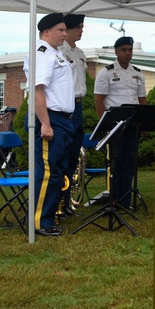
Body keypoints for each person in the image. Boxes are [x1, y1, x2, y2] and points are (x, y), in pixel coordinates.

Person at [23, 12, 75, 237]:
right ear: (46, 32)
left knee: (57, 171)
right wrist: (45, 123)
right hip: (51, 118)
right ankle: (38, 223)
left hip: (62, 120)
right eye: (61, 30)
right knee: (48, 172)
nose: (65, 33)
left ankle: (47, 217)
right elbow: (37, 91)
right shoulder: (42, 53)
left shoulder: (56, 54)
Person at [94, 37, 147, 209]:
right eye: (124, 49)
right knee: (115, 163)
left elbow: (142, 100)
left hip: (132, 122)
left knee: (129, 162)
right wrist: (104, 125)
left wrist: (143, 122)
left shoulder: (137, 73)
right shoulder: (106, 72)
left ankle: (125, 199)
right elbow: (99, 100)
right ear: (116, 51)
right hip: (115, 123)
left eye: (130, 49)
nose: (127, 53)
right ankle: (114, 199)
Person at [60, 13, 88, 215]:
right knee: (61, 156)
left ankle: (67, 202)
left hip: (78, 105)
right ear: (67, 29)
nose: (81, 30)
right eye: (78, 26)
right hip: (65, 106)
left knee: (72, 157)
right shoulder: (59, 52)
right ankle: (57, 202)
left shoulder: (80, 53)